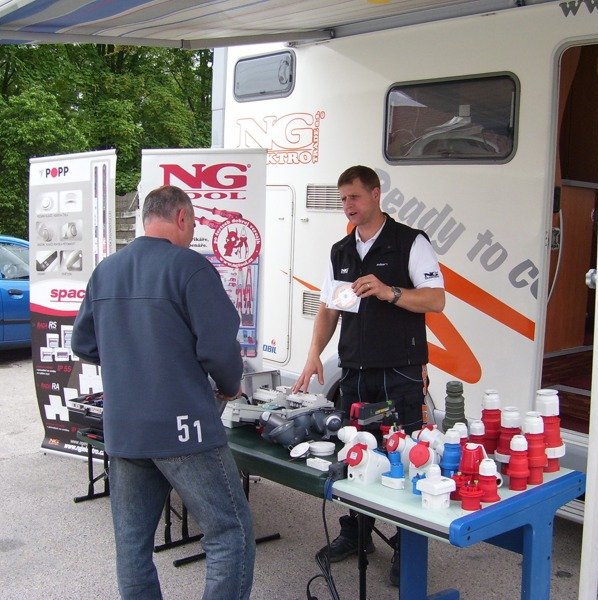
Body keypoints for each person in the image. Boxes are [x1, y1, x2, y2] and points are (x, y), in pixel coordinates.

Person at [71, 185, 255, 600]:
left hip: (125, 429)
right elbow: (219, 348)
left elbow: (84, 344)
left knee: (132, 546)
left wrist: (130, 358)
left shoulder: (107, 270)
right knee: (230, 532)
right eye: (193, 224)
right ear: (182, 218)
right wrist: (230, 386)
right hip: (184, 428)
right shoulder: (190, 267)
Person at [292, 165, 445, 586]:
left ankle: (406, 546)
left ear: (376, 194)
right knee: (358, 452)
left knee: (408, 457)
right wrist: (312, 355)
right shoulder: (341, 250)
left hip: (401, 371)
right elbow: (329, 308)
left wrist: (389, 291)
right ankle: (357, 533)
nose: (348, 205)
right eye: (343, 199)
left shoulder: (409, 241)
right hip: (355, 372)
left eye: (355, 197)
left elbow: (436, 299)